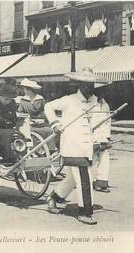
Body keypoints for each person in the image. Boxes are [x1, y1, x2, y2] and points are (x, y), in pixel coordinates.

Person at [44, 69, 112, 225]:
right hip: (74, 146)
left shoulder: (99, 102)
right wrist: (55, 124)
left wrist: (105, 140)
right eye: (85, 84)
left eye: (91, 84)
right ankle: (85, 212)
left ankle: (54, 197)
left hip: (91, 147)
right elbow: (48, 107)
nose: (88, 87)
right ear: (79, 84)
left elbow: (105, 122)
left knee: (75, 178)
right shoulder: (69, 100)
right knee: (84, 178)